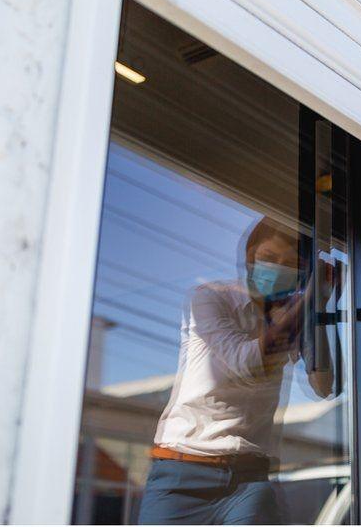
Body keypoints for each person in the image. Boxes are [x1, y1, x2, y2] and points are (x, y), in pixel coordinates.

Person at [137, 217, 334, 524]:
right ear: (249, 259)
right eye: (269, 258)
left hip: (248, 479)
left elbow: (325, 385)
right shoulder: (209, 298)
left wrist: (317, 310)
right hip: (182, 474)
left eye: (290, 263)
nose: (278, 268)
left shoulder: (292, 315)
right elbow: (247, 364)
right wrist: (308, 301)